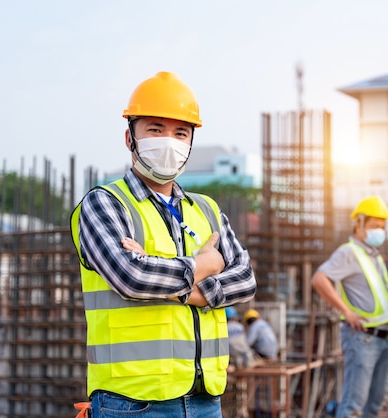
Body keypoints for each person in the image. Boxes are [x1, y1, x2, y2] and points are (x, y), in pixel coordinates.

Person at [70, 71, 257, 418]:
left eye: (180, 133)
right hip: (131, 402)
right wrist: (204, 265)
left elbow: (245, 280)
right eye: (155, 130)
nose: (168, 141)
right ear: (130, 138)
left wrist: (173, 281)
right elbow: (131, 277)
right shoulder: (104, 204)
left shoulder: (207, 210)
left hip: (204, 399)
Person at [310, 195, 388, 418]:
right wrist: (346, 311)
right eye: (374, 226)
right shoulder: (348, 252)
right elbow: (319, 279)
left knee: (372, 406)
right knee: (353, 407)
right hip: (362, 338)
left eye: (382, 227)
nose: (380, 231)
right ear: (359, 224)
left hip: (382, 337)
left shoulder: (373, 255)